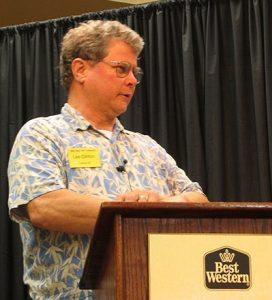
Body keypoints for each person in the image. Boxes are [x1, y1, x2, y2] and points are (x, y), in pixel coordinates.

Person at [7, 20, 208, 299]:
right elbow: (45, 206)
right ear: (81, 69)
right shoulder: (42, 134)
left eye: (134, 72)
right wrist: (130, 212)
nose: (132, 80)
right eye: (121, 69)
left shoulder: (146, 146)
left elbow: (199, 202)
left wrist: (161, 203)